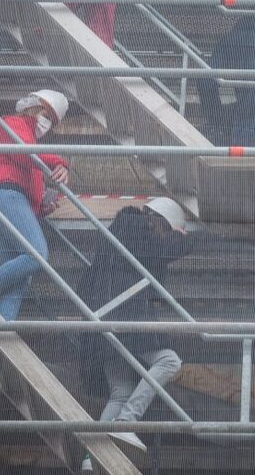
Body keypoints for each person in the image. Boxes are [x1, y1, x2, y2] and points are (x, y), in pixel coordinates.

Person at [76, 198, 223, 470]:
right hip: (122, 312)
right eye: (166, 231)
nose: (165, 237)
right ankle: (126, 423)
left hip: (106, 316)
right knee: (168, 361)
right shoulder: (135, 224)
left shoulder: (124, 229)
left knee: (120, 392)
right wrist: (187, 240)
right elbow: (158, 250)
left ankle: (90, 457)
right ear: (160, 221)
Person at [0, 89, 70, 321]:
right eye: (46, 115)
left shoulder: (30, 151)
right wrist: (60, 162)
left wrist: (43, 206)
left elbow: (27, 166)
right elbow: (24, 153)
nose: (47, 123)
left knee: (20, 276)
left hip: (4, 202)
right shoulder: (12, 123)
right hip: (8, 196)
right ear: (34, 107)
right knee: (36, 254)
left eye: (51, 121)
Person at [196, 14, 255, 146]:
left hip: (250, 104)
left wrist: (216, 120)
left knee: (244, 162)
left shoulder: (233, 38)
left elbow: (205, 81)